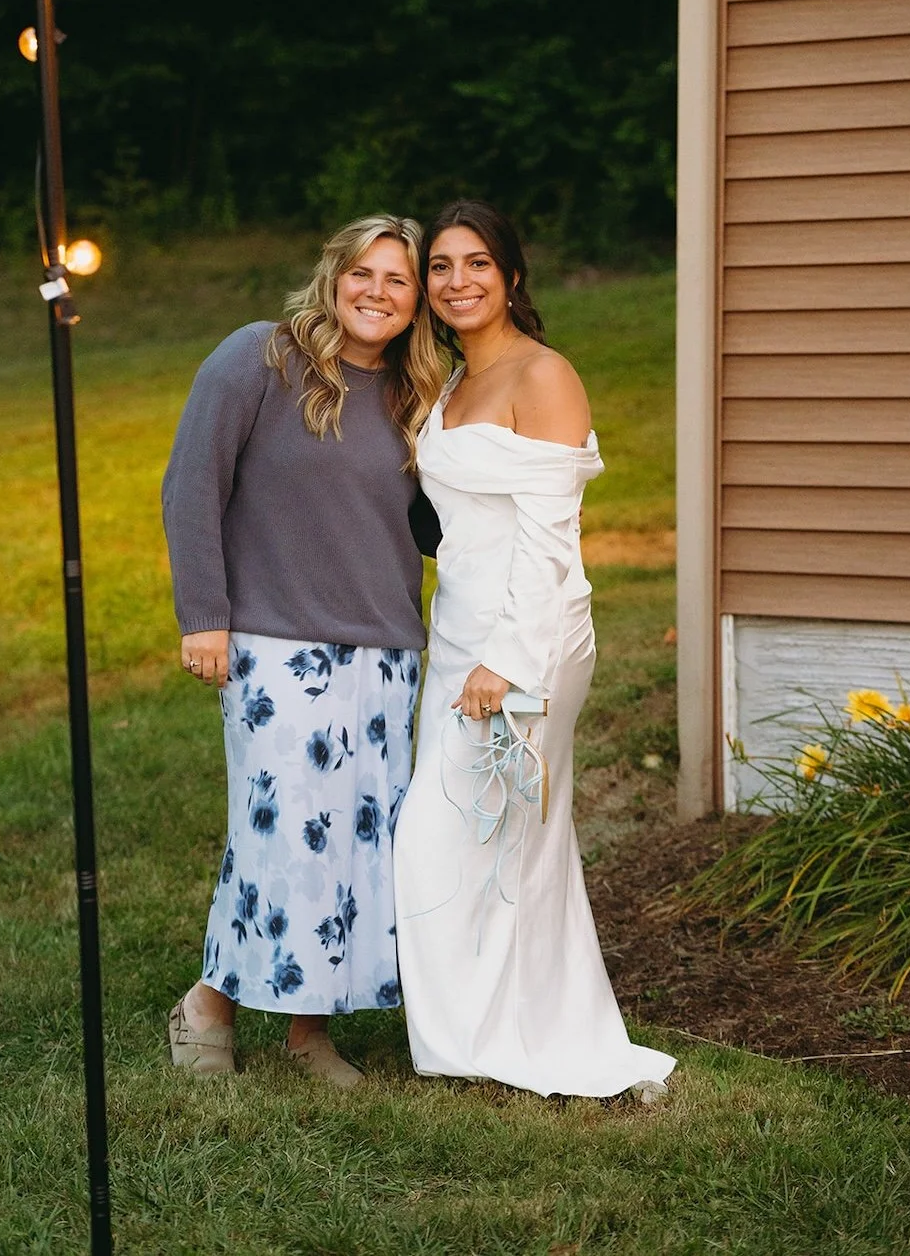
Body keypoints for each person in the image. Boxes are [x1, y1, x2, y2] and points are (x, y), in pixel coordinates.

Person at [393, 201, 676, 1098]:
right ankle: (486, 1030)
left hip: (529, 638)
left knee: (477, 837)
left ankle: (509, 1035)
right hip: (458, 633)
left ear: (511, 275)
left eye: (477, 262)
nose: (458, 281)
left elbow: (552, 543)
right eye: (441, 266)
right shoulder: (450, 380)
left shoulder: (544, 375)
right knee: (486, 840)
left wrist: (507, 661)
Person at [162, 214, 442, 1084]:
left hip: (386, 651)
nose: (377, 293)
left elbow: (437, 525)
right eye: (363, 273)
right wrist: (203, 615)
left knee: (355, 851)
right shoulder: (261, 358)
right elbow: (191, 484)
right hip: (276, 645)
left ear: (417, 302)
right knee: (278, 837)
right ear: (333, 275)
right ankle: (208, 1004)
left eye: (398, 281)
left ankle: (307, 1031)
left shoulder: (418, 394)